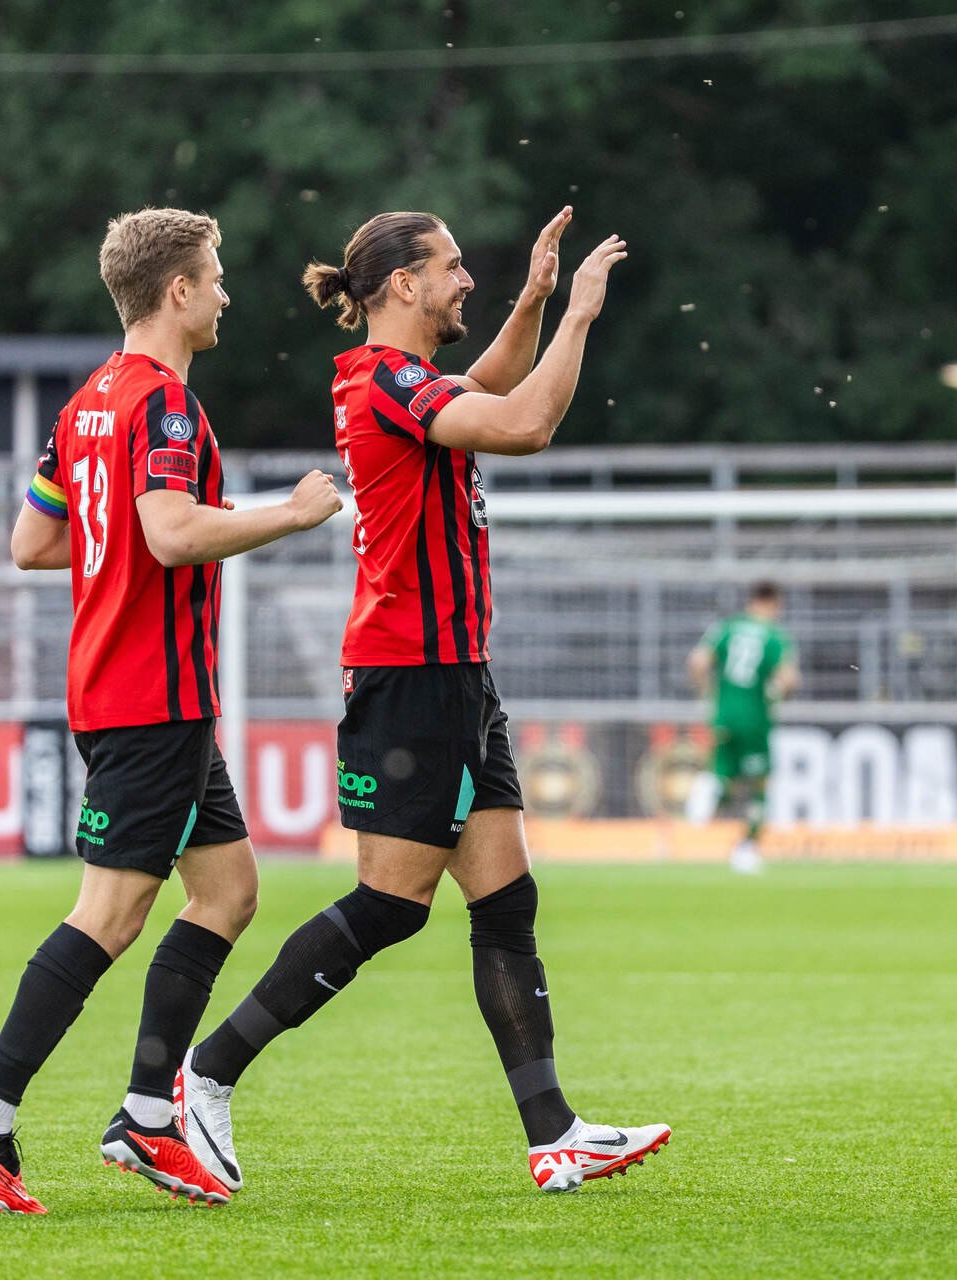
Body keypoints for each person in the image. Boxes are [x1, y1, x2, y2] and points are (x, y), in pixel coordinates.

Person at [179, 207, 668, 1196]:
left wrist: (533, 297)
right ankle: (205, 1075)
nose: (464, 283)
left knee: (506, 899)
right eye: (450, 268)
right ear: (402, 284)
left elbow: (487, 389)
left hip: (454, 675)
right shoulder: (384, 378)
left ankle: (554, 1131)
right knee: (389, 906)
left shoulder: (407, 383)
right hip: (411, 676)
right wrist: (575, 318)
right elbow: (525, 421)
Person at [0, 208, 341, 1214]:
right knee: (110, 913)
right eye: (217, 278)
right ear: (176, 293)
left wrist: (117, 555)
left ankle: (147, 1118)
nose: (227, 295)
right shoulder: (161, 408)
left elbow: (32, 543)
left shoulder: (84, 408)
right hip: (145, 698)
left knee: (229, 891)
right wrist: (290, 512)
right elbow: (167, 533)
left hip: (151, 698)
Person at [685, 582, 799, 874]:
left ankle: (711, 787)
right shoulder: (775, 637)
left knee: (727, 776)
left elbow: (697, 662)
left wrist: (708, 693)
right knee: (759, 785)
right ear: (774, 603)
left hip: (722, 714)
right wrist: (777, 696)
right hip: (755, 717)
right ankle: (746, 848)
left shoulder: (726, 627)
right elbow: (788, 680)